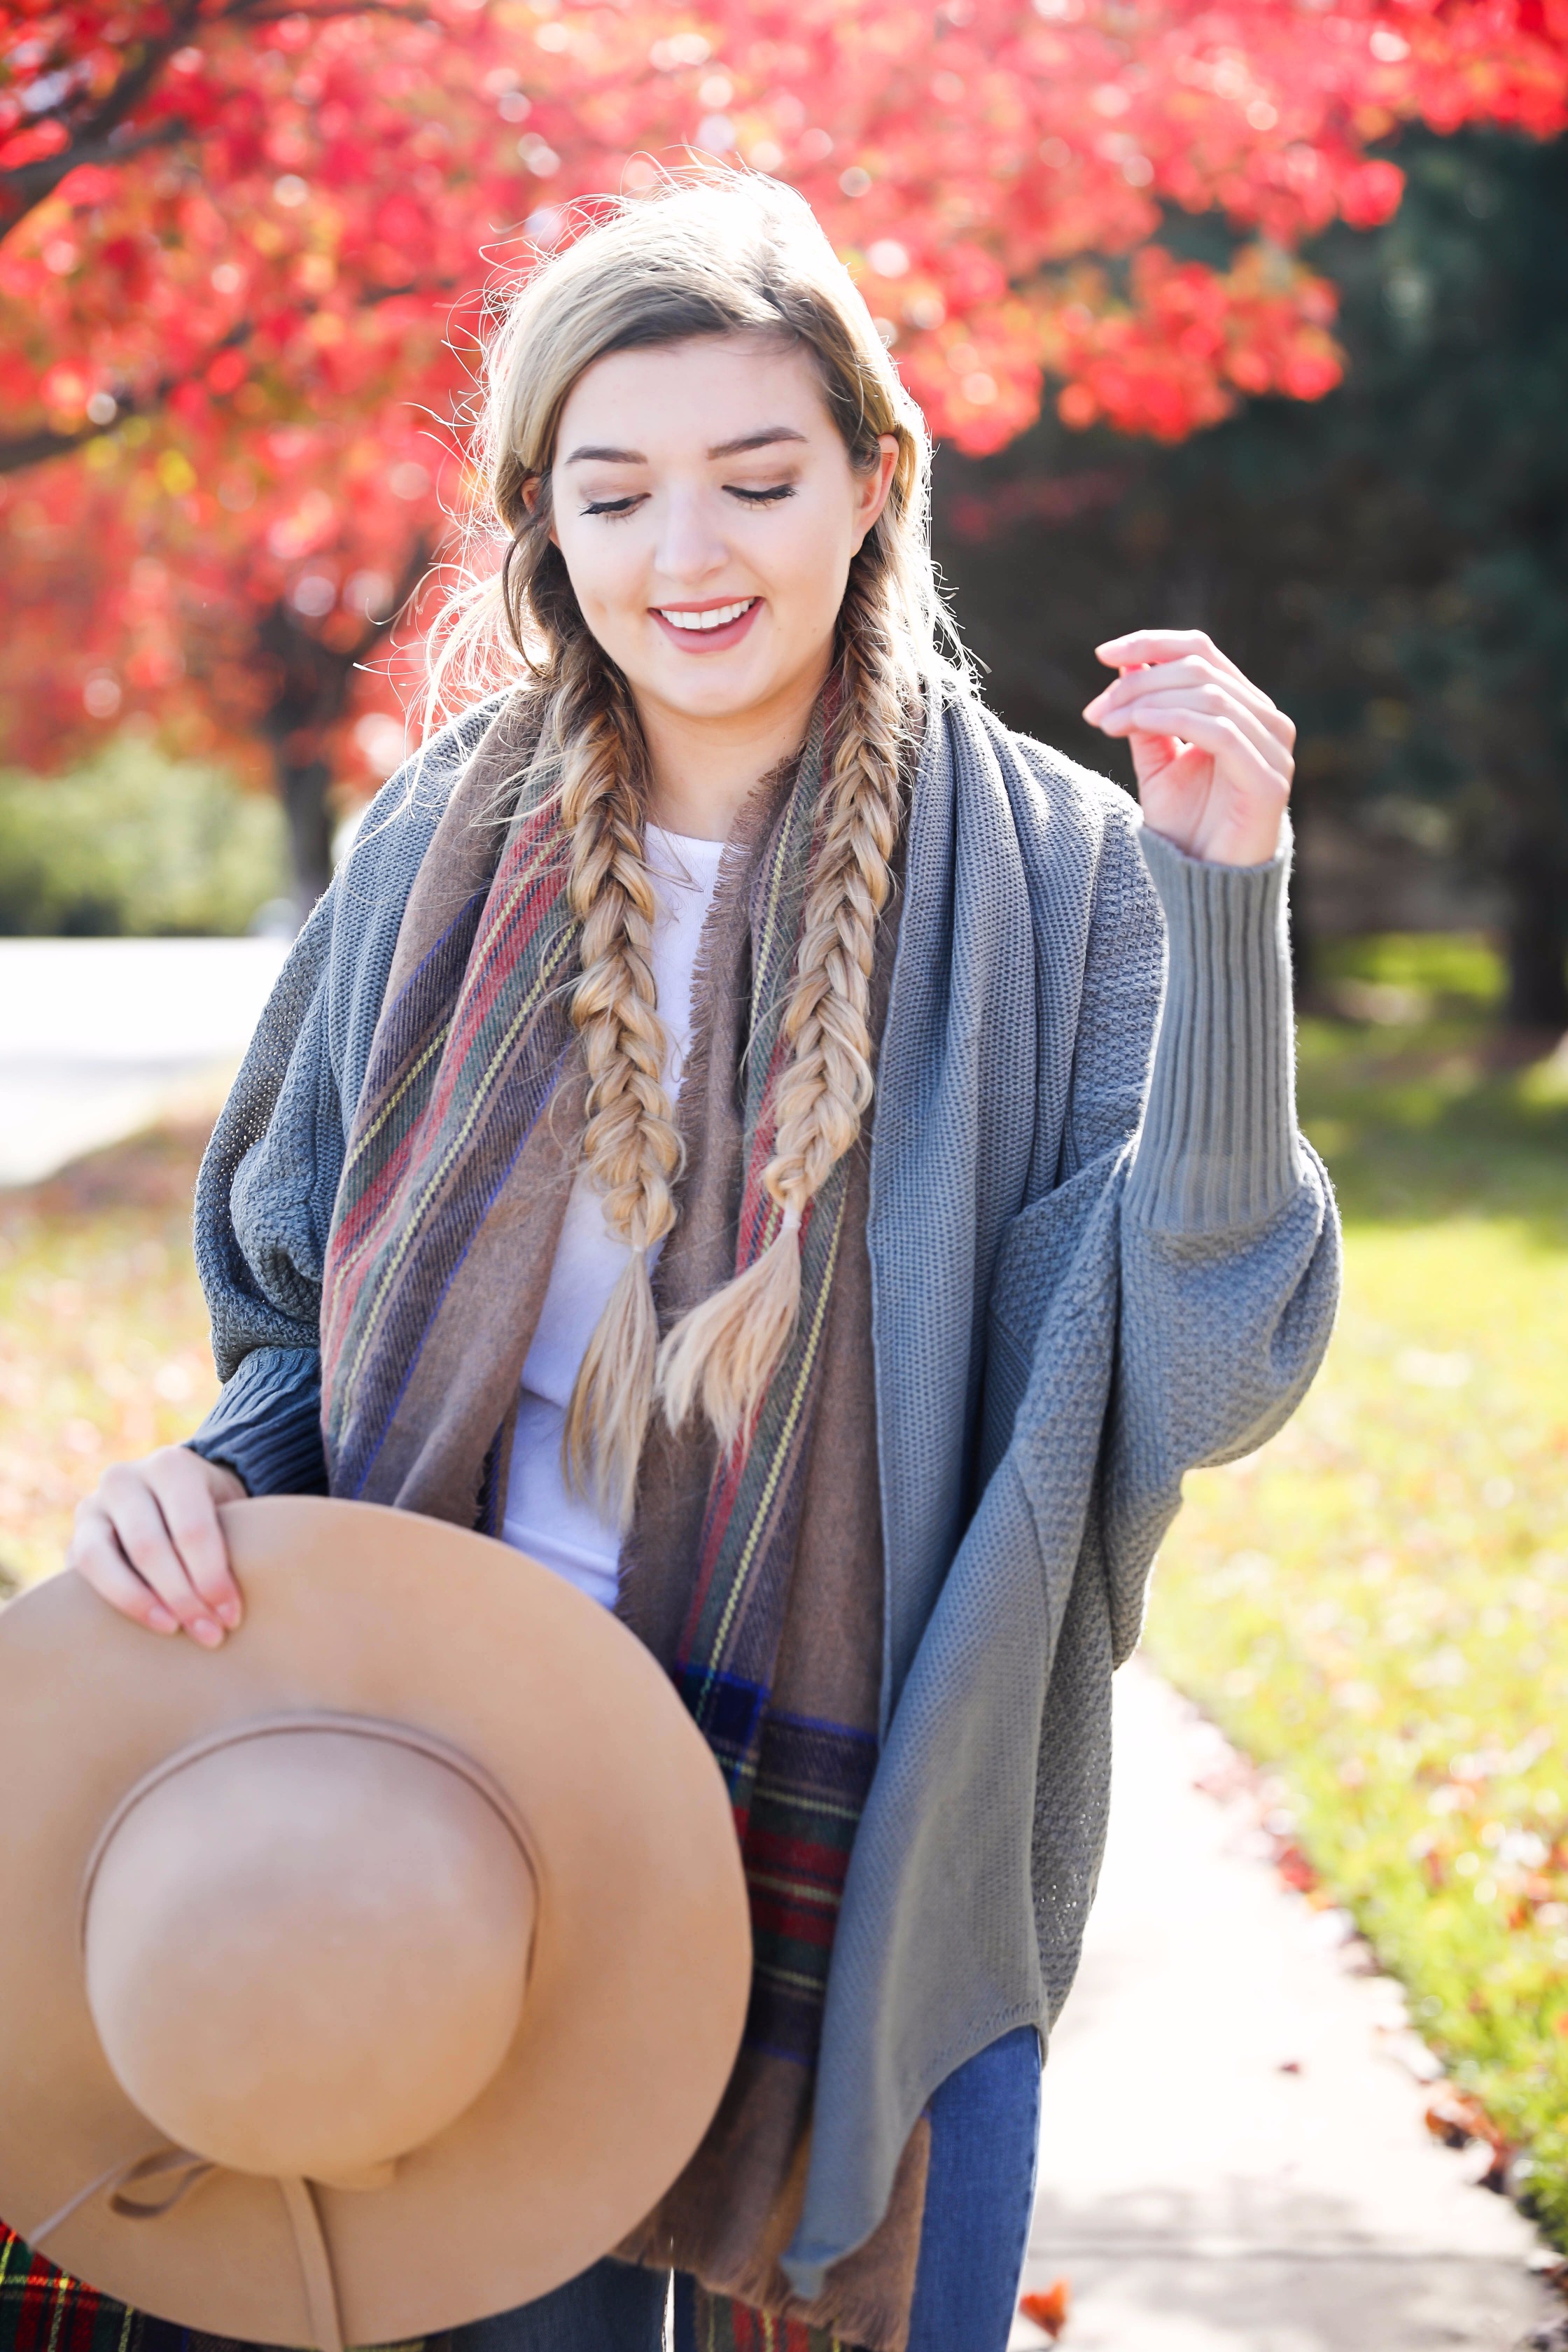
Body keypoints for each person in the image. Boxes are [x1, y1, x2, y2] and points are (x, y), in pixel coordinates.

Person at [56, 172, 1339, 2352]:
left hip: (824, 1846)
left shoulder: (1064, 888)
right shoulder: (435, 840)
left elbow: (1203, 1369)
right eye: (614, 491)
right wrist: (216, 1469)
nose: (688, 554)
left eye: (756, 477)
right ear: (540, 518)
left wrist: (1232, 908)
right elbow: (285, 1310)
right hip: (424, 1805)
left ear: (874, 479)